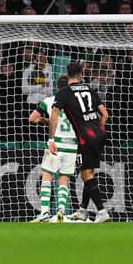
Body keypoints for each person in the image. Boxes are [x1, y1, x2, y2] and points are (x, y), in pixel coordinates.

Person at [50, 62, 110, 223]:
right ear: (81, 75)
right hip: (99, 133)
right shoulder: (90, 89)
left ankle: (102, 211)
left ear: (67, 74)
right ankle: (83, 210)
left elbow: (54, 116)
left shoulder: (64, 92)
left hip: (85, 136)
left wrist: (51, 139)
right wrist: (99, 129)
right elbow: (105, 114)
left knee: (85, 174)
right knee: (89, 172)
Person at [29, 76, 75, 223]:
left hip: (56, 143)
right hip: (72, 145)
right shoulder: (76, 103)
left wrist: (46, 121)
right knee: (64, 179)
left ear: (57, 88)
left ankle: (44, 212)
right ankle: (61, 211)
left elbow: (32, 118)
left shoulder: (49, 101)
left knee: (47, 176)